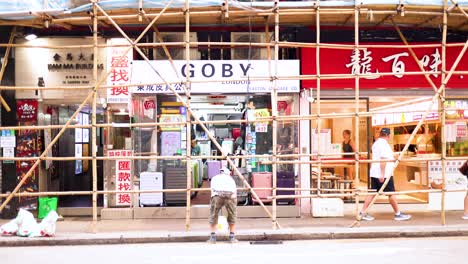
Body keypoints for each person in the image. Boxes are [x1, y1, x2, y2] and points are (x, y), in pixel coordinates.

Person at [359, 128, 411, 221]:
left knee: (372, 193)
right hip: (383, 174)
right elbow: (383, 159)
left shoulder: (376, 143)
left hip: (375, 172)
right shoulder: (384, 144)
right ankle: (398, 214)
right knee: (391, 194)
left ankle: (362, 212)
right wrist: (382, 174)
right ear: (389, 135)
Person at [207, 167, 238, 243]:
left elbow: (212, 190)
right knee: (232, 214)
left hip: (217, 195)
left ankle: (212, 238)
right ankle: (232, 237)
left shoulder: (214, 178)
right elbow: (234, 191)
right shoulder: (230, 179)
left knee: (213, 214)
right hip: (230, 195)